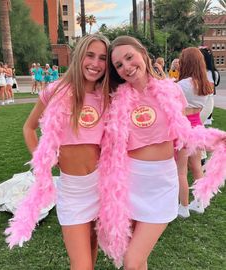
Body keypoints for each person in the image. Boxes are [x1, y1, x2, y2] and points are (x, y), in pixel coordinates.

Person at [96, 36, 226, 269]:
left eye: (129, 57)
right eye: (118, 65)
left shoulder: (172, 91)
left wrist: (214, 138)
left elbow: (185, 134)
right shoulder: (115, 98)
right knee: (139, 259)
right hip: (129, 183)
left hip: (161, 184)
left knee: (132, 261)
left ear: (143, 53)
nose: (126, 66)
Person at [4, 34, 110, 270]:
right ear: (79, 55)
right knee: (81, 265)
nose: (95, 63)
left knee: (92, 248)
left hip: (100, 187)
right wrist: (42, 162)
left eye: (102, 58)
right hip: (71, 191)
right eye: (90, 55)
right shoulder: (56, 90)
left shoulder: (107, 96)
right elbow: (29, 128)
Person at [176, 47, 213, 218]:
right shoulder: (205, 84)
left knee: (181, 171)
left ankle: (183, 207)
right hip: (197, 126)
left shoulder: (182, 85)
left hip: (184, 129)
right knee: (197, 167)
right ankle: (200, 203)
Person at [199, 47, 220, 125]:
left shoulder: (211, 73)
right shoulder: (199, 72)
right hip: (197, 103)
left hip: (205, 104)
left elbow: (208, 91)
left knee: (197, 125)